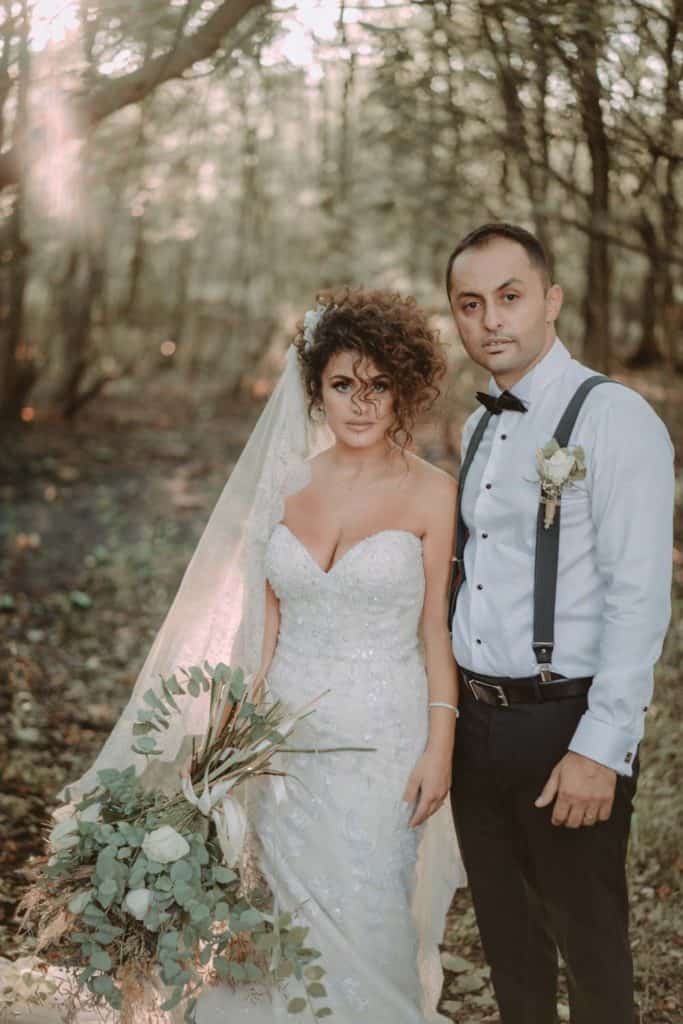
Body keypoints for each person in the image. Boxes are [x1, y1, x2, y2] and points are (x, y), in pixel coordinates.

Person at [62, 287, 465, 1023]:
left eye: (379, 385)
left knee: (370, 909)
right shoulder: (284, 487)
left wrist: (440, 746)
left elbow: (434, 629)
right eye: (342, 384)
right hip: (280, 741)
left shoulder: (434, 493)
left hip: (385, 736)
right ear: (314, 387)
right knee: (269, 916)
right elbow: (262, 632)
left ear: (404, 388)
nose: (361, 402)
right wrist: (223, 747)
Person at [446, 222, 675, 1024]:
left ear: (551, 300)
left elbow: (638, 595)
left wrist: (599, 747)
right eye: (469, 305)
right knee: (509, 952)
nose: (490, 321)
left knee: (591, 955)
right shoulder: (475, 428)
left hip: (563, 725)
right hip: (476, 729)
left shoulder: (616, 420)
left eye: (509, 298)